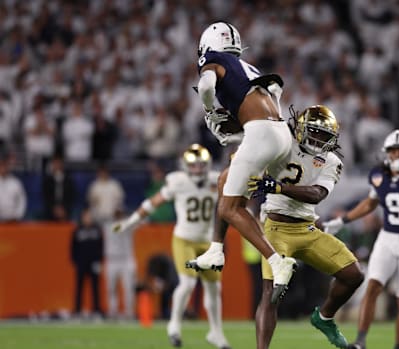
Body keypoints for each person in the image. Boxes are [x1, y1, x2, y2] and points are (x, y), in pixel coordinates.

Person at [187, 21, 296, 301]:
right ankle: (215, 250)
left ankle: (276, 260)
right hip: (280, 133)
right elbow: (271, 97)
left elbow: (207, 84)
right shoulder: (248, 68)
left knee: (229, 208)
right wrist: (238, 133)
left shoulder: (213, 59)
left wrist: (210, 111)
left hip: (262, 133)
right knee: (225, 181)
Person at [248, 105, 364, 349]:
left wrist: (279, 187)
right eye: (314, 132)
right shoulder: (282, 143)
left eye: (324, 135)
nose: (318, 139)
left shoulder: (331, 160)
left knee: (353, 275)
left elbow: (317, 194)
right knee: (271, 294)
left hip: (307, 229)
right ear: (300, 129)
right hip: (276, 229)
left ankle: (324, 318)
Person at [323, 130, 399, 349]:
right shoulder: (379, 174)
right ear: (386, 153)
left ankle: (398, 346)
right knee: (372, 286)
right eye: (393, 151)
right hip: (387, 238)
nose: (397, 155)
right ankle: (360, 341)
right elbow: (370, 203)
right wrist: (343, 220)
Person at [114, 144, 231, 349]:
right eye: (193, 166)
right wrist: (131, 221)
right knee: (187, 283)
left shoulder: (216, 179)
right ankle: (174, 325)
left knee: (214, 288)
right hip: (184, 239)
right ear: (185, 167)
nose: (197, 169)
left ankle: (216, 332)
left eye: (201, 165)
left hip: (208, 241)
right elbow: (154, 202)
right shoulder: (178, 182)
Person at [103, 209, 137, 320]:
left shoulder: (127, 225)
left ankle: (129, 312)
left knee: (128, 288)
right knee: (111, 288)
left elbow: (142, 221)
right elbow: (116, 228)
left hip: (125, 259)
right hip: (112, 259)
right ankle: (113, 311)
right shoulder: (109, 226)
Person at [70, 208, 103, 318]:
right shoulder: (78, 230)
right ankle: (77, 310)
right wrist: (76, 261)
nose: (88, 219)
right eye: (86, 216)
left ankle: (96, 310)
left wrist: (99, 260)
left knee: (95, 288)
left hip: (94, 263)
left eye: (90, 217)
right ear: (82, 217)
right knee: (79, 287)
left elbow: (100, 247)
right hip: (82, 263)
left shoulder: (97, 230)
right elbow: (73, 248)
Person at [42, 155, 75, 221]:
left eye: (58, 163)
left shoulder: (69, 181)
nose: (57, 166)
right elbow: (45, 197)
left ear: (62, 164)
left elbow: (72, 197)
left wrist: (64, 209)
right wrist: (54, 209)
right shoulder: (47, 181)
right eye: (55, 163)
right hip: (50, 213)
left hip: (65, 212)